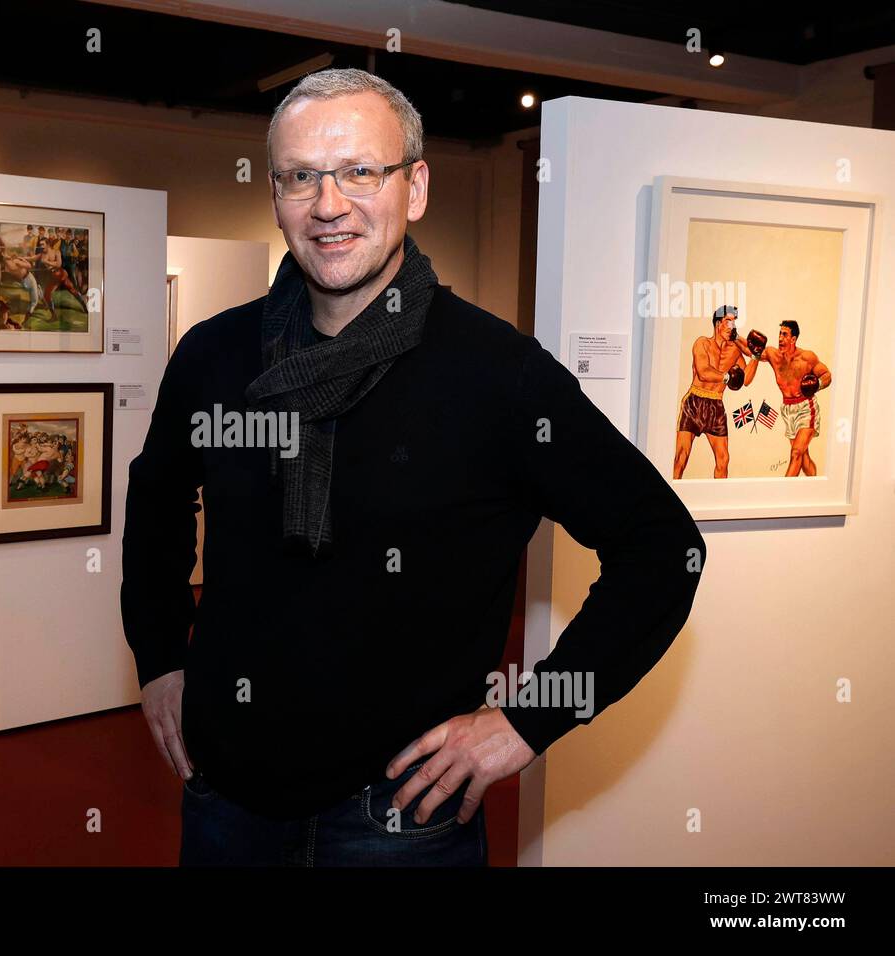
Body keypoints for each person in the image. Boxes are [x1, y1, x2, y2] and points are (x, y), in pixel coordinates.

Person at [120, 68, 706, 867]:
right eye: (301, 176)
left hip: (402, 822)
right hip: (226, 800)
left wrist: (527, 723)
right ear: (276, 193)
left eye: (361, 170)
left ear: (415, 186)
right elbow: (156, 502)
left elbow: (662, 549)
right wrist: (159, 658)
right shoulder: (214, 354)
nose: (329, 205)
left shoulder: (498, 374)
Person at [735, 320, 831, 476]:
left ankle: (784, 492)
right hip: (787, 410)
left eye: (785, 334)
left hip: (806, 408)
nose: (780, 338)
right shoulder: (773, 355)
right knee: (803, 457)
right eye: (780, 334)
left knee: (796, 454)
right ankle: (815, 486)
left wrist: (818, 384)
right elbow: (751, 350)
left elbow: (827, 375)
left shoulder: (807, 357)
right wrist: (735, 336)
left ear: (793, 339)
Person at [673, 304, 755, 479]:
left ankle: (720, 496)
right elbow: (703, 372)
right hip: (694, 402)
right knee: (681, 457)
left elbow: (746, 379)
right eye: (728, 321)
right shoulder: (702, 343)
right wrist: (727, 377)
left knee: (723, 460)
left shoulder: (734, 351)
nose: (732, 326)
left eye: (734, 322)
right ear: (718, 323)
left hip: (716, 404)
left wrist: (755, 356)